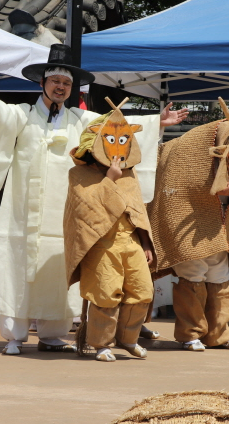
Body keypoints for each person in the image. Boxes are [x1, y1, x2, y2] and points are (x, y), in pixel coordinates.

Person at [0, 44, 188, 355]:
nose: (60, 87)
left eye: (66, 83)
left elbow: (118, 129)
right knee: (19, 265)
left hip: (66, 208)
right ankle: (14, 335)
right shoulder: (21, 114)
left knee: (62, 263)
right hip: (25, 209)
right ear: (42, 83)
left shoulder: (82, 120)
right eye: (55, 81)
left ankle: (52, 334)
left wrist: (158, 122)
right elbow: (4, 120)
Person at [147, 101, 229, 351]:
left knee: (219, 279)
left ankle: (218, 334)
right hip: (189, 227)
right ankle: (190, 333)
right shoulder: (186, 154)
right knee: (192, 276)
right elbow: (179, 189)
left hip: (217, 229)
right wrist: (209, 191)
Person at [64, 104, 155, 362]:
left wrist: (146, 241)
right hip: (100, 243)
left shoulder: (129, 173)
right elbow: (87, 210)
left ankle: (128, 339)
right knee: (106, 294)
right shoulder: (78, 174)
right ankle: (102, 343)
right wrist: (110, 179)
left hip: (131, 240)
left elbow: (137, 210)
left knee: (142, 291)